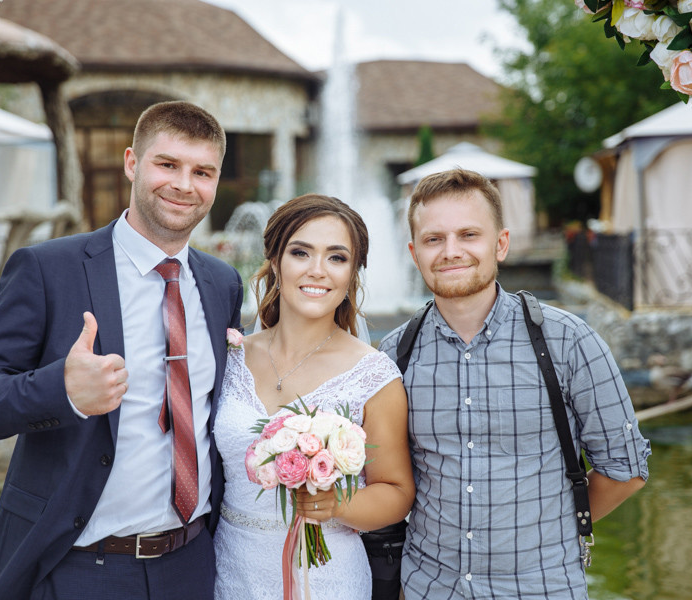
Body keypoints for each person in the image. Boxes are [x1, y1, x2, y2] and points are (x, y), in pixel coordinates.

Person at [0, 101, 243, 600]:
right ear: (132, 163)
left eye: (202, 172)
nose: (184, 185)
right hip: (80, 566)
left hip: (193, 565)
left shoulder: (221, 283)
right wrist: (61, 389)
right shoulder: (48, 269)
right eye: (167, 165)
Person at [378, 168, 651, 600]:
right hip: (428, 589)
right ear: (414, 252)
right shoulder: (394, 355)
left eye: (469, 234)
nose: (451, 251)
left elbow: (625, 470)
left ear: (500, 243)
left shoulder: (568, 340)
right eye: (434, 239)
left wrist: (550, 538)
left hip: (541, 589)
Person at [212, 194, 415, 600]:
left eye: (337, 258)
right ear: (274, 260)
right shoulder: (228, 356)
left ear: (352, 273)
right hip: (231, 568)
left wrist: (338, 504)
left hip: (327, 578)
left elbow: (396, 491)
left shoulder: (373, 374)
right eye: (301, 252)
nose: (317, 270)